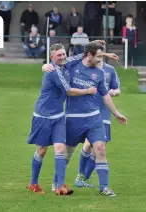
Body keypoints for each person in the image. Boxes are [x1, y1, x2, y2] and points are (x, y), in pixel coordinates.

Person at [46, 42, 127, 196]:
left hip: (94, 118)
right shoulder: (72, 66)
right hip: (73, 119)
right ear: (89, 55)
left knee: (100, 149)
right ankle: (57, 181)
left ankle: (104, 187)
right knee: (67, 154)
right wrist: (45, 66)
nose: (100, 60)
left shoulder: (100, 73)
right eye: (98, 56)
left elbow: (104, 95)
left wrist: (116, 113)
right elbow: (57, 65)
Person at [27, 44, 96, 195]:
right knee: (42, 150)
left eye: (64, 54)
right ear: (52, 57)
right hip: (43, 116)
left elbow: (82, 55)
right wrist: (88, 91)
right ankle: (33, 183)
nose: (63, 57)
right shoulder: (54, 72)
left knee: (60, 149)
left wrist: (105, 53)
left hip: (58, 117)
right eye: (59, 55)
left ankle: (60, 186)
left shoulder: (66, 62)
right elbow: (69, 91)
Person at [75, 59, 121, 188]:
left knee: (98, 148)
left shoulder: (110, 70)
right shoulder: (85, 68)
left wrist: (114, 92)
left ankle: (84, 178)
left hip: (104, 111)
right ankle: (80, 175)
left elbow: (117, 88)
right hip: (89, 110)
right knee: (88, 144)